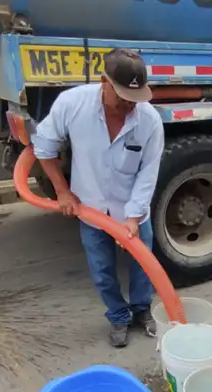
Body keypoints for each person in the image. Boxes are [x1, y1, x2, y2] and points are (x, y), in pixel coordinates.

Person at [33, 48, 164, 347]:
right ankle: (118, 316)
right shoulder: (72, 104)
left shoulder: (149, 121)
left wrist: (133, 217)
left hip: (132, 208)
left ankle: (142, 310)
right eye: (122, 98)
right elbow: (44, 149)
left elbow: (148, 172)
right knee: (103, 270)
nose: (129, 106)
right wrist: (63, 191)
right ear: (104, 82)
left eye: (135, 100)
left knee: (144, 265)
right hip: (90, 208)